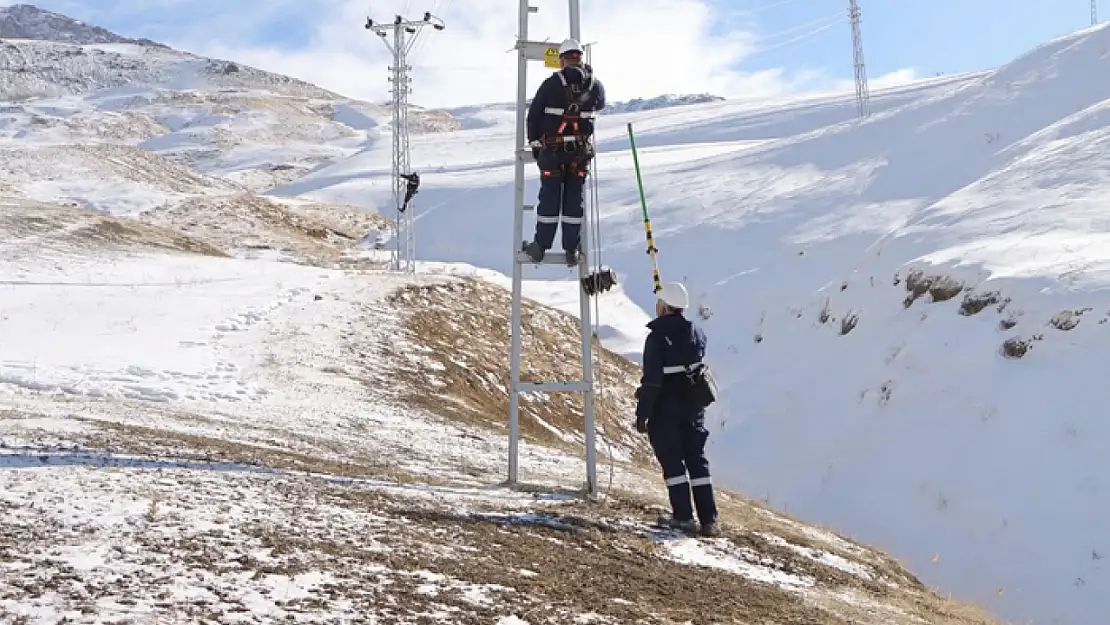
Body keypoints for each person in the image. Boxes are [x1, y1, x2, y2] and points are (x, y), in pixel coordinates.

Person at [634, 281, 720, 537]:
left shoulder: (656, 338)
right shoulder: (697, 333)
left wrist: (642, 414)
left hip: (666, 410)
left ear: (664, 307)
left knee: (673, 464)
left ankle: (683, 517)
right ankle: (709, 520)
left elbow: (651, 382)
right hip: (694, 408)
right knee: (697, 462)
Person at [523, 38, 606, 267]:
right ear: (580, 58)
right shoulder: (594, 85)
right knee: (573, 202)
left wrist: (535, 143)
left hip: (552, 154)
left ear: (562, 59)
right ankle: (572, 250)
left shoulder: (551, 84)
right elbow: (600, 104)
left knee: (549, 199)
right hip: (578, 155)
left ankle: (540, 247)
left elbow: (534, 115)